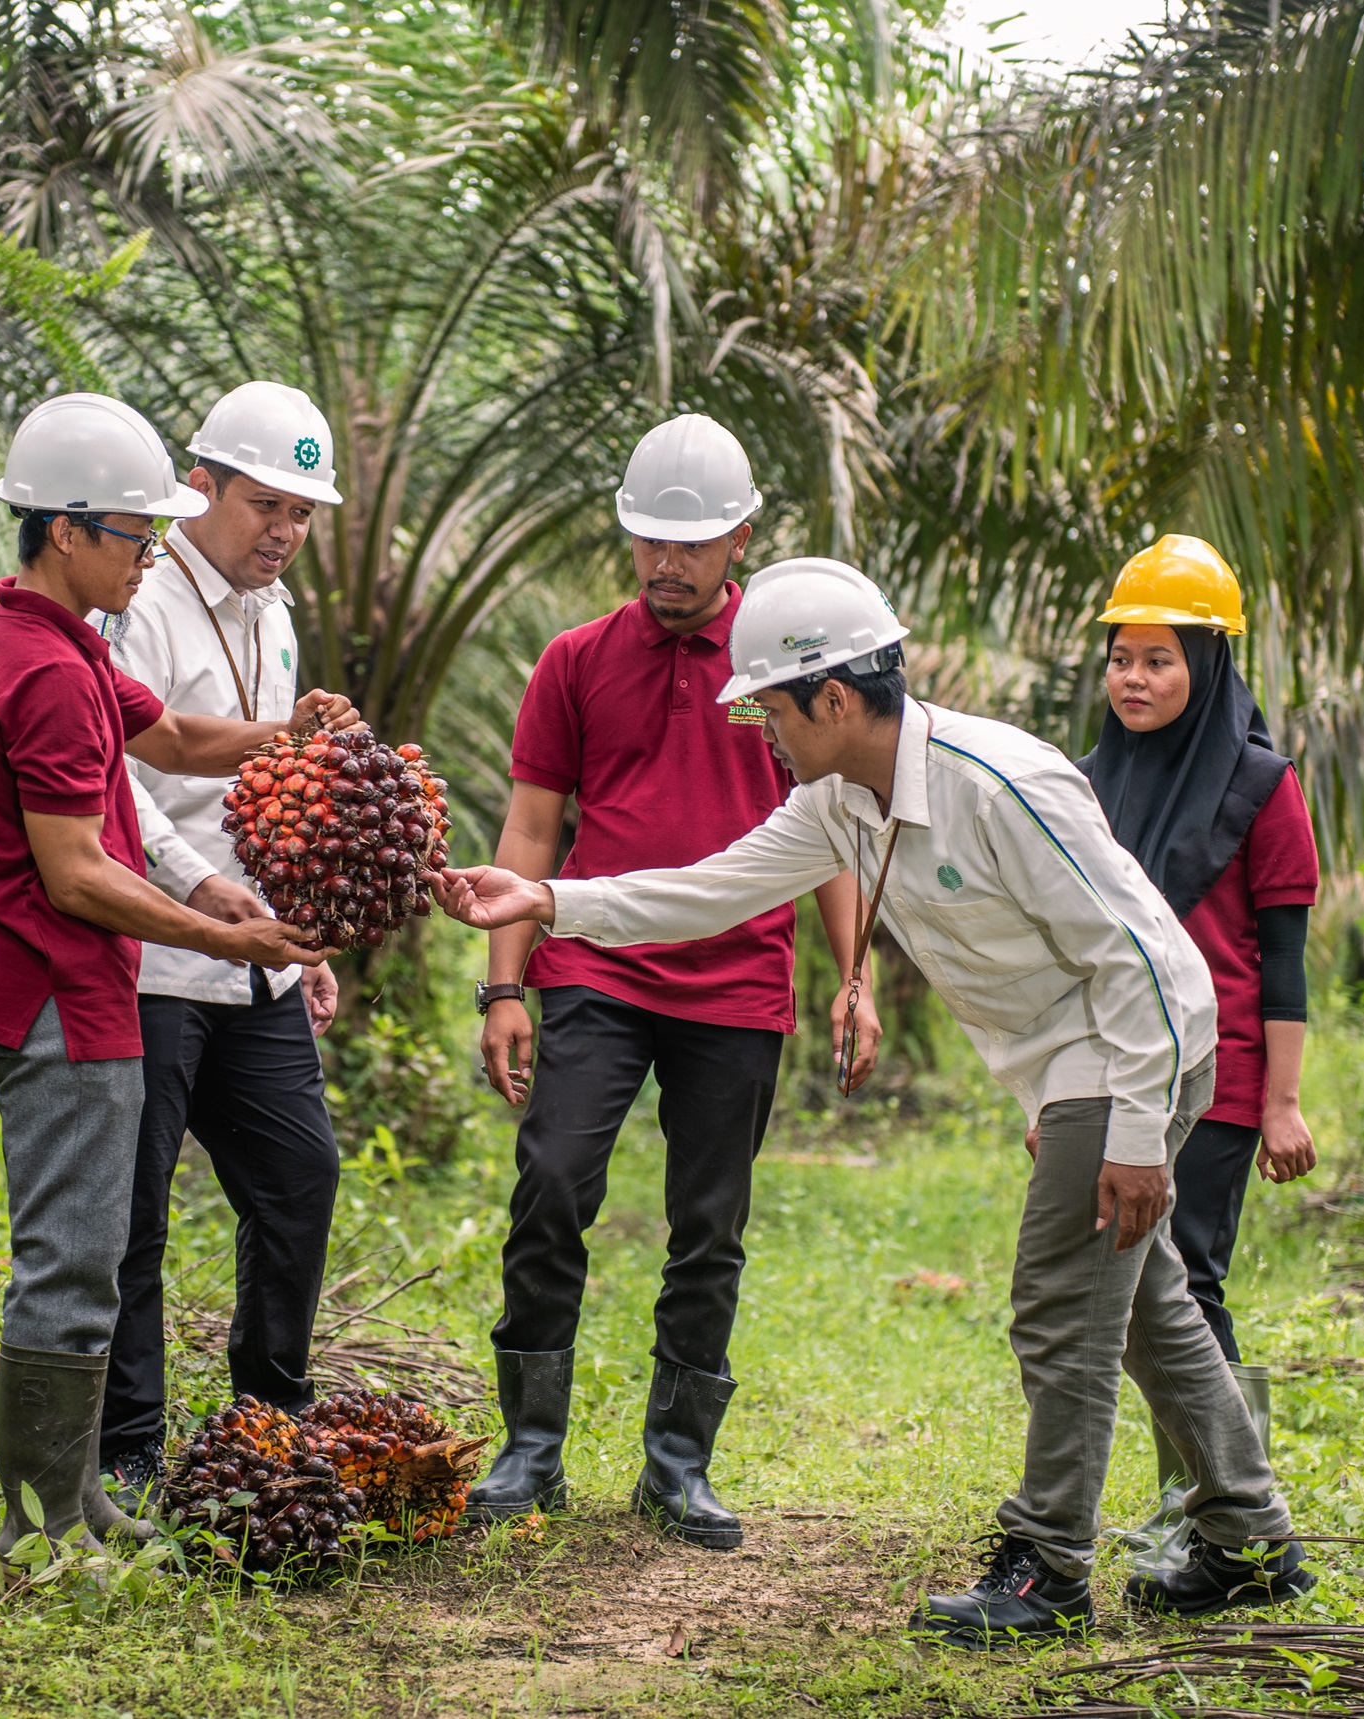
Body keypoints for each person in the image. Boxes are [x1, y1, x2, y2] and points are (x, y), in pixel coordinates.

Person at [432, 557, 1314, 1643]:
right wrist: (548, 898)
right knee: (1141, 1307)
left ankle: (1046, 1570)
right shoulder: (839, 802)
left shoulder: (994, 782)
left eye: (769, 712)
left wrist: (1130, 1132)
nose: (760, 733)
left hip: (1133, 1044)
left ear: (835, 700)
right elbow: (707, 888)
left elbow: (1129, 961)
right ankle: (1249, 1540)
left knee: (1060, 1307)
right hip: (1075, 1057)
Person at [0, 392, 354, 1575]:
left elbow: (168, 741)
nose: (148, 553)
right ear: (66, 530)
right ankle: (44, 1520)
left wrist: (289, 735)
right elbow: (73, 872)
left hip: (83, 988)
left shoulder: (46, 640)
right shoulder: (51, 668)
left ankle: (81, 1504)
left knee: (106, 1243)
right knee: (76, 1259)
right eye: (133, 534)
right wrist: (229, 938)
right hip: (58, 988)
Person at [462, 415, 877, 1552]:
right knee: (549, 1183)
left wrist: (855, 976)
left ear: (741, 538)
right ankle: (528, 1452)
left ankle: (676, 1466)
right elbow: (532, 825)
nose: (668, 564)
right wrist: (504, 989)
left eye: (692, 544)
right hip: (593, 964)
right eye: (649, 540)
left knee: (710, 1221)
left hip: (738, 984)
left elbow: (829, 828)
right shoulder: (574, 660)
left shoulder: (784, 664)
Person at [99, 382, 351, 1501]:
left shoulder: (277, 616)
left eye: (301, 513)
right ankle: (130, 1453)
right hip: (155, 957)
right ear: (199, 485)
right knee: (135, 1215)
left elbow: (280, 795)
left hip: (255, 968)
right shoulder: (139, 601)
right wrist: (204, 890)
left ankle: (267, 1423)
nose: (283, 533)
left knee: (299, 1177)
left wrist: (307, 935)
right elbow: (120, 784)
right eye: (264, 506)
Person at [1074, 535, 1318, 1577]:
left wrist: (1283, 1102)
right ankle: (1199, 1502)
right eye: (1121, 657)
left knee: (1187, 1283)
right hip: (1113, 1072)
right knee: (1133, 1290)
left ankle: (1217, 1513)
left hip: (1217, 1079)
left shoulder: (1263, 787)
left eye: (1157, 658)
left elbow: (1284, 961)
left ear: (1207, 663)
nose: (1132, 678)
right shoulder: (1082, 781)